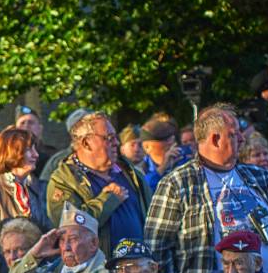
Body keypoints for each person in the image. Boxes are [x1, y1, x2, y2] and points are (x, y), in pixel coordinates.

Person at [146, 105, 268, 273]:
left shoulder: (257, 176)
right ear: (215, 139)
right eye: (233, 133)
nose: (241, 138)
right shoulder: (178, 183)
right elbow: (157, 249)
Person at [47, 111, 151, 259]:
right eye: (109, 138)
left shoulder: (131, 173)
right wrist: (109, 199)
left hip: (140, 270)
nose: (116, 142)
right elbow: (70, 229)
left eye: (115, 137)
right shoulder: (63, 180)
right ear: (86, 143)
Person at [8, 204, 115, 273]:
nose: (66, 247)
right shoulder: (54, 269)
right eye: (62, 240)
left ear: (93, 243)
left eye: (73, 239)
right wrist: (34, 255)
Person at [0, 126, 52, 238]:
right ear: (10, 153)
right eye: (29, 149)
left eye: (35, 149)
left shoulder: (45, 188)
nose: (36, 154)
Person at [139, 119, 188, 191]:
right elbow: (145, 189)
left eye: (172, 138)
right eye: (164, 140)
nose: (171, 142)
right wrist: (162, 168)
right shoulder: (139, 170)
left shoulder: (184, 161)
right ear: (147, 147)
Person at [15, 104, 57, 174]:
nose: (26, 126)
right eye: (22, 123)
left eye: (31, 123)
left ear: (40, 129)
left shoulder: (52, 155)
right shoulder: (8, 154)